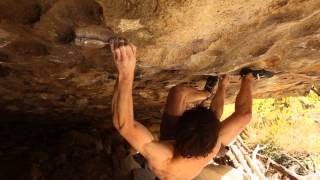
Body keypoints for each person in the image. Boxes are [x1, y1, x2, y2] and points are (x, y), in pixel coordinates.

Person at [110, 38, 269, 180]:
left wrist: (125, 72)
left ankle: (209, 92)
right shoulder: (213, 145)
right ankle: (246, 78)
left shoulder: (164, 159)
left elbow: (125, 126)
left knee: (178, 93)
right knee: (244, 116)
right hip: (194, 145)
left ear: (179, 128)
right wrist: (223, 87)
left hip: (175, 157)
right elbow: (216, 114)